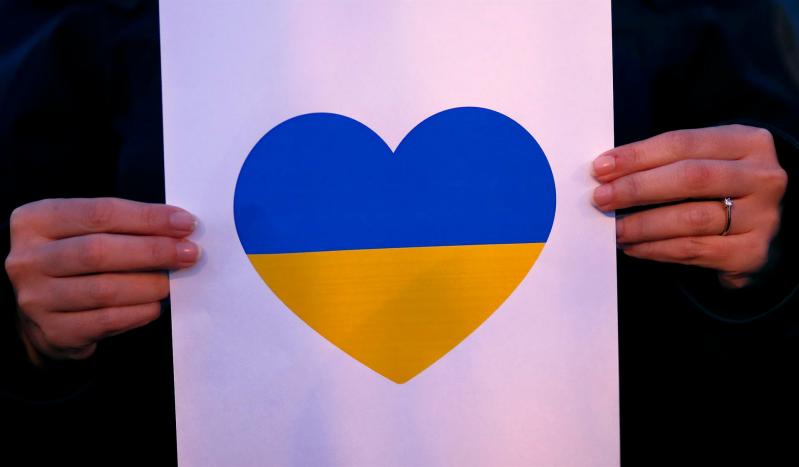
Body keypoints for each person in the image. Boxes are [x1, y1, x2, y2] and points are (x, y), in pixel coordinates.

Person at [2, 0, 798, 464]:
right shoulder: (82, 18)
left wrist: (766, 248)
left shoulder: (692, 13)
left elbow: (770, 198)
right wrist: (33, 334)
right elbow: (29, 244)